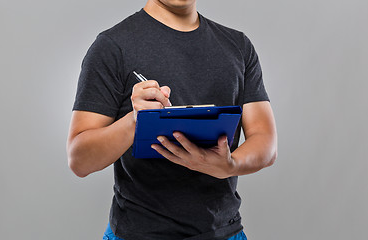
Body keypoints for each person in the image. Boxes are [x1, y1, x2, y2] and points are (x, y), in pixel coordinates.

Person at [67, 0, 277, 239]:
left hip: (224, 232)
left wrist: (229, 165)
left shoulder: (238, 46)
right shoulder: (112, 47)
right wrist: (134, 121)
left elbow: (265, 141)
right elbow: (79, 160)